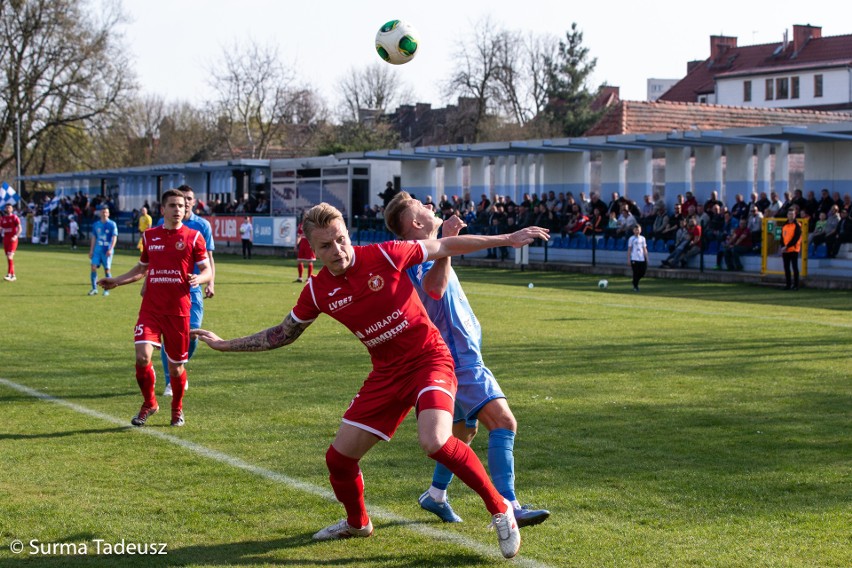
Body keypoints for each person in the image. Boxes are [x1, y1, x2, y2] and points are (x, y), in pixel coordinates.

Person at [192, 201, 550, 559]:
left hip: (430, 361)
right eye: (326, 246)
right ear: (311, 249)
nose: (338, 251)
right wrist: (225, 345)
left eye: (341, 239)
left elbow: (446, 245)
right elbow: (282, 334)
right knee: (339, 460)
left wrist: (509, 237)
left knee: (436, 441)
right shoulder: (317, 291)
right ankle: (358, 522)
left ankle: (501, 509)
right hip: (386, 374)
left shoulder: (385, 254)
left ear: (348, 234)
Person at [384, 193, 550, 528]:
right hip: (459, 361)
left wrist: (449, 244)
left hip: (452, 358)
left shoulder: (429, 251)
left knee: (461, 434)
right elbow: (434, 291)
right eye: (422, 206)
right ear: (416, 223)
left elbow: (447, 263)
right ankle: (509, 505)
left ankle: (435, 494)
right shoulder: (417, 259)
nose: (430, 207)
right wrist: (448, 243)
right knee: (503, 422)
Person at [98, 189, 211, 427]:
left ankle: (177, 409)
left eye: (181, 206)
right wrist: (116, 280)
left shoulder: (194, 237)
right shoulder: (150, 236)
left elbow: (207, 270)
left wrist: (198, 279)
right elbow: (141, 269)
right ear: (163, 209)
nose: (178, 209)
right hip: (150, 309)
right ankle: (150, 403)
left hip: (178, 310)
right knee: (142, 357)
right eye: (172, 205)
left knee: (176, 366)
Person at [153, 185, 216, 398]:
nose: (185, 203)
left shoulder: (202, 226)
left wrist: (210, 282)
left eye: (188, 199)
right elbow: (156, 257)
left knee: (193, 333)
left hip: (194, 288)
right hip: (169, 289)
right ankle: (171, 380)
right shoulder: (163, 224)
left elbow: (208, 257)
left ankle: (179, 368)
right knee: (169, 336)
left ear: (194, 201)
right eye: (181, 201)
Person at [88, 205, 118, 296]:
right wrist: (91, 250)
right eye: (103, 212)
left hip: (106, 251)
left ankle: (107, 290)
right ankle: (94, 289)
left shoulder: (112, 224)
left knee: (107, 270)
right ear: (100, 213)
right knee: (93, 267)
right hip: (97, 250)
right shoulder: (96, 224)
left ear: (108, 214)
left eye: (106, 212)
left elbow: (114, 238)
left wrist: (110, 249)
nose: (104, 213)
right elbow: (94, 238)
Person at [780, 207, 802, 290]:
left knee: (794, 267)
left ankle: (796, 285)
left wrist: (787, 246)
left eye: (792, 214)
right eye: (789, 214)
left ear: (795, 215)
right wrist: (783, 246)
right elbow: (782, 237)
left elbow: (796, 238)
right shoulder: (785, 225)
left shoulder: (797, 225)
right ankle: (788, 284)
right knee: (786, 268)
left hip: (793, 249)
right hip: (785, 250)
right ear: (787, 215)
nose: (791, 216)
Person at [2, 203, 22, 281]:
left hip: (13, 240)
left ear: (12, 209)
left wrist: (16, 236)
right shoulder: (3, 218)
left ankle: (9, 274)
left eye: (9, 208)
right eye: (7, 208)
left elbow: (20, 228)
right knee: (8, 258)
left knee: (10, 256)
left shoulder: (15, 217)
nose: (8, 209)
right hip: (6, 240)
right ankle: (13, 275)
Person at [627, 224, 648, 291]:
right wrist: (628, 259)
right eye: (636, 230)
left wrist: (646, 257)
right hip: (634, 258)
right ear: (633, 231)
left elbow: (644, 248)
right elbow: (629, 249)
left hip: (641, 258)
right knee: (635, 272)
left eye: (638, 230)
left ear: (640, 230)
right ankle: (635, 286)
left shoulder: (643, 238)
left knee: (642, 272)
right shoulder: (631, 239)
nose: (637, 231)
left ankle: (634, 281)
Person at [294, 214, 315, 282]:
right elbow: (299, 235)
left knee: (310, 261)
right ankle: (300, 278)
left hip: (309, 243)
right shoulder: (301, 225)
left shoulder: (311, 225)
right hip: (303, 243)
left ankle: (309, 278)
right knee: (299, 260)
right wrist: (296, 245)